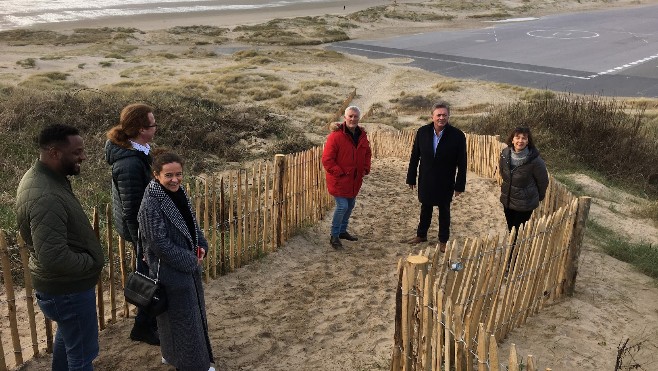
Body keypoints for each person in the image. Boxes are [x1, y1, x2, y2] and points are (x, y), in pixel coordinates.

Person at [16, 124, 105, 371]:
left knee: (69, 340)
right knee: (83, 355)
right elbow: (53, 256)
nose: (84, 157)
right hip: (68, 289)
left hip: (62, 287)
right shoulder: (46, 195)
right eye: (77, 152)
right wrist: (91, 262)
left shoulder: (46, 179)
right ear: (55, 153)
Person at [138, 152, 215, 371]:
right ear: (156, 175)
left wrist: (202, 246)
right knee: (184, 320)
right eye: (169, 175)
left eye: (179, 174)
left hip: (186, 265)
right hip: (169, 270)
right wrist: (190, 260)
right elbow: (158, 243)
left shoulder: (179, 193)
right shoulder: (151, 202)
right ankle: (194, 365)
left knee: (182, 317)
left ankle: (170, 355)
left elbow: (192, 224)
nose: (175, 179)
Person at [105, 103, 160, 345]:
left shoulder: (138, 150)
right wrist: (143, 242)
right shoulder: (128, 163)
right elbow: (133, 208)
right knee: (148, 277)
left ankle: (148, 322)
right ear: (140, 129)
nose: (156, 128)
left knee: (149, 275)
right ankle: (142, 327)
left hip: (144, 228)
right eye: (152, 124)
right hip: (141, 231)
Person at [406, 101, 467, 253]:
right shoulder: (422, 132)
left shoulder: (457, 135)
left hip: (446, 180)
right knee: (425, 207)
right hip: (426, 178)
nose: (441, 118)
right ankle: (421, 235)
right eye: (438, 115)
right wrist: (411, 177)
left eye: (444, 115)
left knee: (444, 210)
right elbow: (415, 156)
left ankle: (443, 240)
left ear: (448, 116)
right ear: (432, 116)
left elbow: (463, 162)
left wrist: (459, 185)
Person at [322, 105, 372, 250]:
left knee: (350, 205)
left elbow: (367, 153)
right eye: (350, 116)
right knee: (342, 206)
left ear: (359, 118)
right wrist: (340, 172)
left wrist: (365, 168)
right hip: (339, 180)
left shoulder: (362, 135)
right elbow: (327, 159)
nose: (353, 119)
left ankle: (343, 231)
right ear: (345, 118)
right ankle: (334, 235)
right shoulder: (335, 136)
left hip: (355, 180)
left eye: (355, 116)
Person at [499, 126, 549, 243]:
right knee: (511, 228)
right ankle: (512, 251)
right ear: (512, 139)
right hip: (508, 200)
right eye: (517, 137)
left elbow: (543, 181)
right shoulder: (505, 154)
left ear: (528, 141)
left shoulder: (535, 160)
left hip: (525, 204)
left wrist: (538, 197)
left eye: (524, 138)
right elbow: (503, 172)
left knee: (517, 233)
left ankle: (513, 257)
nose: (520, 141)